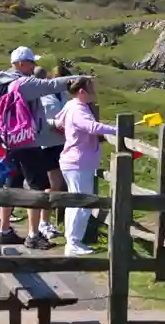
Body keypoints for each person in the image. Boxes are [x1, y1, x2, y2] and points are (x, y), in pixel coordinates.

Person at [0, 46, 82, 249]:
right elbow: (50, 85)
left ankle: (4, 230)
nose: (34, 66)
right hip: (26, 141)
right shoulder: (23, 83)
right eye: (31, 62)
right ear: (21, 63)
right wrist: (79, 78)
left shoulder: (1, 81)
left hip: (9, 140)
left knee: (12, 185)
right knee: (38, 187)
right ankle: (33, 235)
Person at [48, 76, 117, 256]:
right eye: (91, 89)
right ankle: (73, 243)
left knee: (75, 203)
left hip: (74, 161)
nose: (95, 93)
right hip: (78, 163)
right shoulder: (78, 109)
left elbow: (59, 121)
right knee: (81, 204)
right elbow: (91, 127)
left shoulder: (72, 105)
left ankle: (73, 240)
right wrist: (116, 130)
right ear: (81, 92)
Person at [33, 65, 67, 240]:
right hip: (46, 144)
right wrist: (55, 124)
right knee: (51, 185)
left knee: (57, 185)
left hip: (61, 142)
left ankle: (47, 221)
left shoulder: (63, 94)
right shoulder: (40, 96)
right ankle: (43, 223)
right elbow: (38, 121)